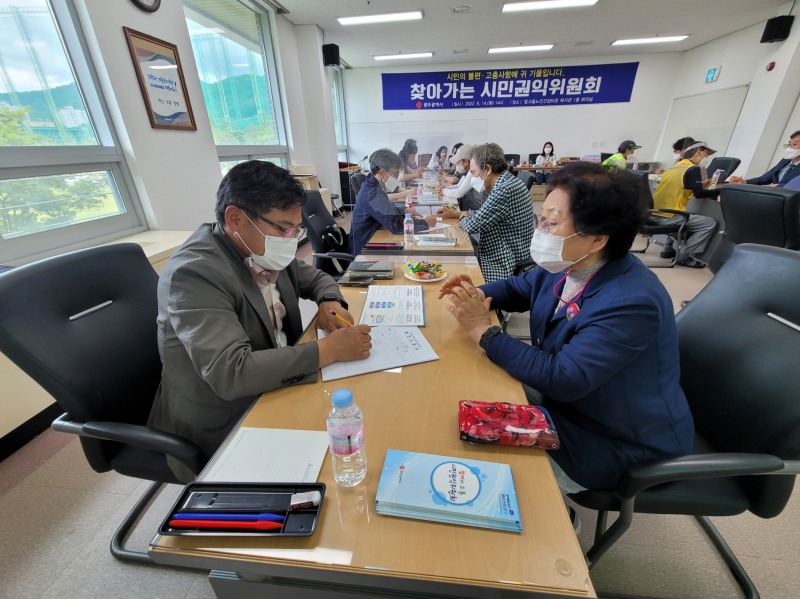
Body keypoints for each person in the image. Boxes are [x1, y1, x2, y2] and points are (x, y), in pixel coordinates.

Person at [437, 162, 693, 492]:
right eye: (541, 218)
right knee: (460, 397)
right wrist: (476, 292)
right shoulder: (569, 263)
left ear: (597, 238)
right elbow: (518, 288)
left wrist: (484, 331)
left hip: (614, 440)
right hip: (573, 405)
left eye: (552, 222)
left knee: (486, 465)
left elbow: (562, 377)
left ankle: (556, 514)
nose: (540, 229)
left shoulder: (631, 301)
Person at [148, 160, 372, 479]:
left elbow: (318, 278)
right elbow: (232, 373)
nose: (291, 239)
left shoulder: (261, 248)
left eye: (296, 230)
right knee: (328, 474)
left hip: (277, 383)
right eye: (283, 229)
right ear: (236, 219)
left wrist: (329, 302)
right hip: (225, 416)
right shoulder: (194, 273)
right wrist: (330, 350)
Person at [437, 143, 534, 282]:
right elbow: (487, 213)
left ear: (487, 169)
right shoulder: (508, 182)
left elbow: (472, 226)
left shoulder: (504, 190)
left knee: (453, 273)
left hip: (506, 262)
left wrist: (463, 218)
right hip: (508, 250)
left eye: (474, 172)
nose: (473, 177)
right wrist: (457, 214)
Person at [348, 148, 435, 256]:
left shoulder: (371, 183)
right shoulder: (372, 193)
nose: (396, 177)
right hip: (363, 250)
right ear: (381, 172)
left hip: (372, 237)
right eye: (395, 173)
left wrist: (405, 210)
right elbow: (396, 226)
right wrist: (426, 222)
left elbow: (385, 209)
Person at [651, 141, 720, 268]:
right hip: (669, 216)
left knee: (688, 215)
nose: (706, 159)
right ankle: (684, 256)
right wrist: (723, 190)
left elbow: (682, 186)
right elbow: (699, 194)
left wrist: (700, 185)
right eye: (706, 155)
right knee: (709, 223)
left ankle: (668, 248)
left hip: (653, 213)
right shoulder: (692, 169)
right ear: (698, 152)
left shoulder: (675, 167)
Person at [728, 130, 800, 187]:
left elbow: (794, 187)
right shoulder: (785, 161)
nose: (789, 148)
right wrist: (744, 182)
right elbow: (762, 179)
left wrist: (775, 187)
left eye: (794, 144)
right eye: (789, 144)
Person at [441, 143, 484, 211]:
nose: (457, 165)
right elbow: (458, 186)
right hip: (474, 210)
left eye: (458, 162)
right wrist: (444, 188)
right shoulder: (468, 171)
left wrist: (443, 191)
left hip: (478, 211)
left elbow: (459, 193)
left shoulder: (473, 172)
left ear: (466, 162)